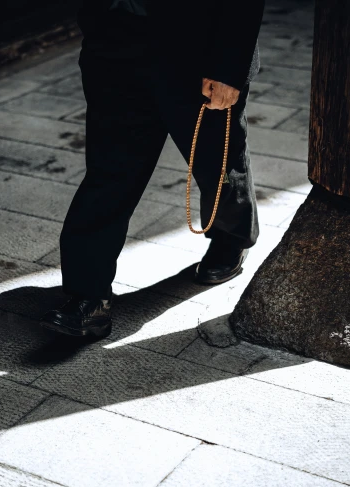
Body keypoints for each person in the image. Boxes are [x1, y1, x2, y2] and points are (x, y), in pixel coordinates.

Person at [41, 0, 266, 338]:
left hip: (198, 48)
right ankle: (88, 294)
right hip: (116, 39)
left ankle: (231, 238)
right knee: (109, 171)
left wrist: (228, 67)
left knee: (215, 160)